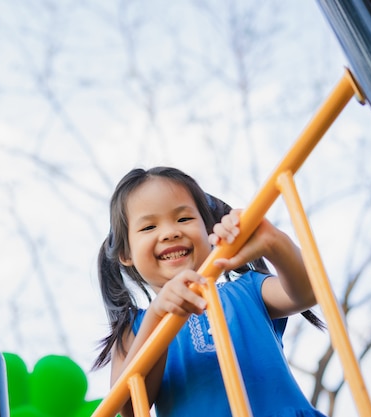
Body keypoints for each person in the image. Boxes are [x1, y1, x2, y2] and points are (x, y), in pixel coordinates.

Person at [92, 166, 326, 417]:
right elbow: (129, 406)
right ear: (126, 254)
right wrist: (157, 317)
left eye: (184, 219)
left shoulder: (247, 290)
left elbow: (309, 291)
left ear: (207, 230)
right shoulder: (135, 328)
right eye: (148, 227)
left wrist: (275, 243)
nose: (171, 232)